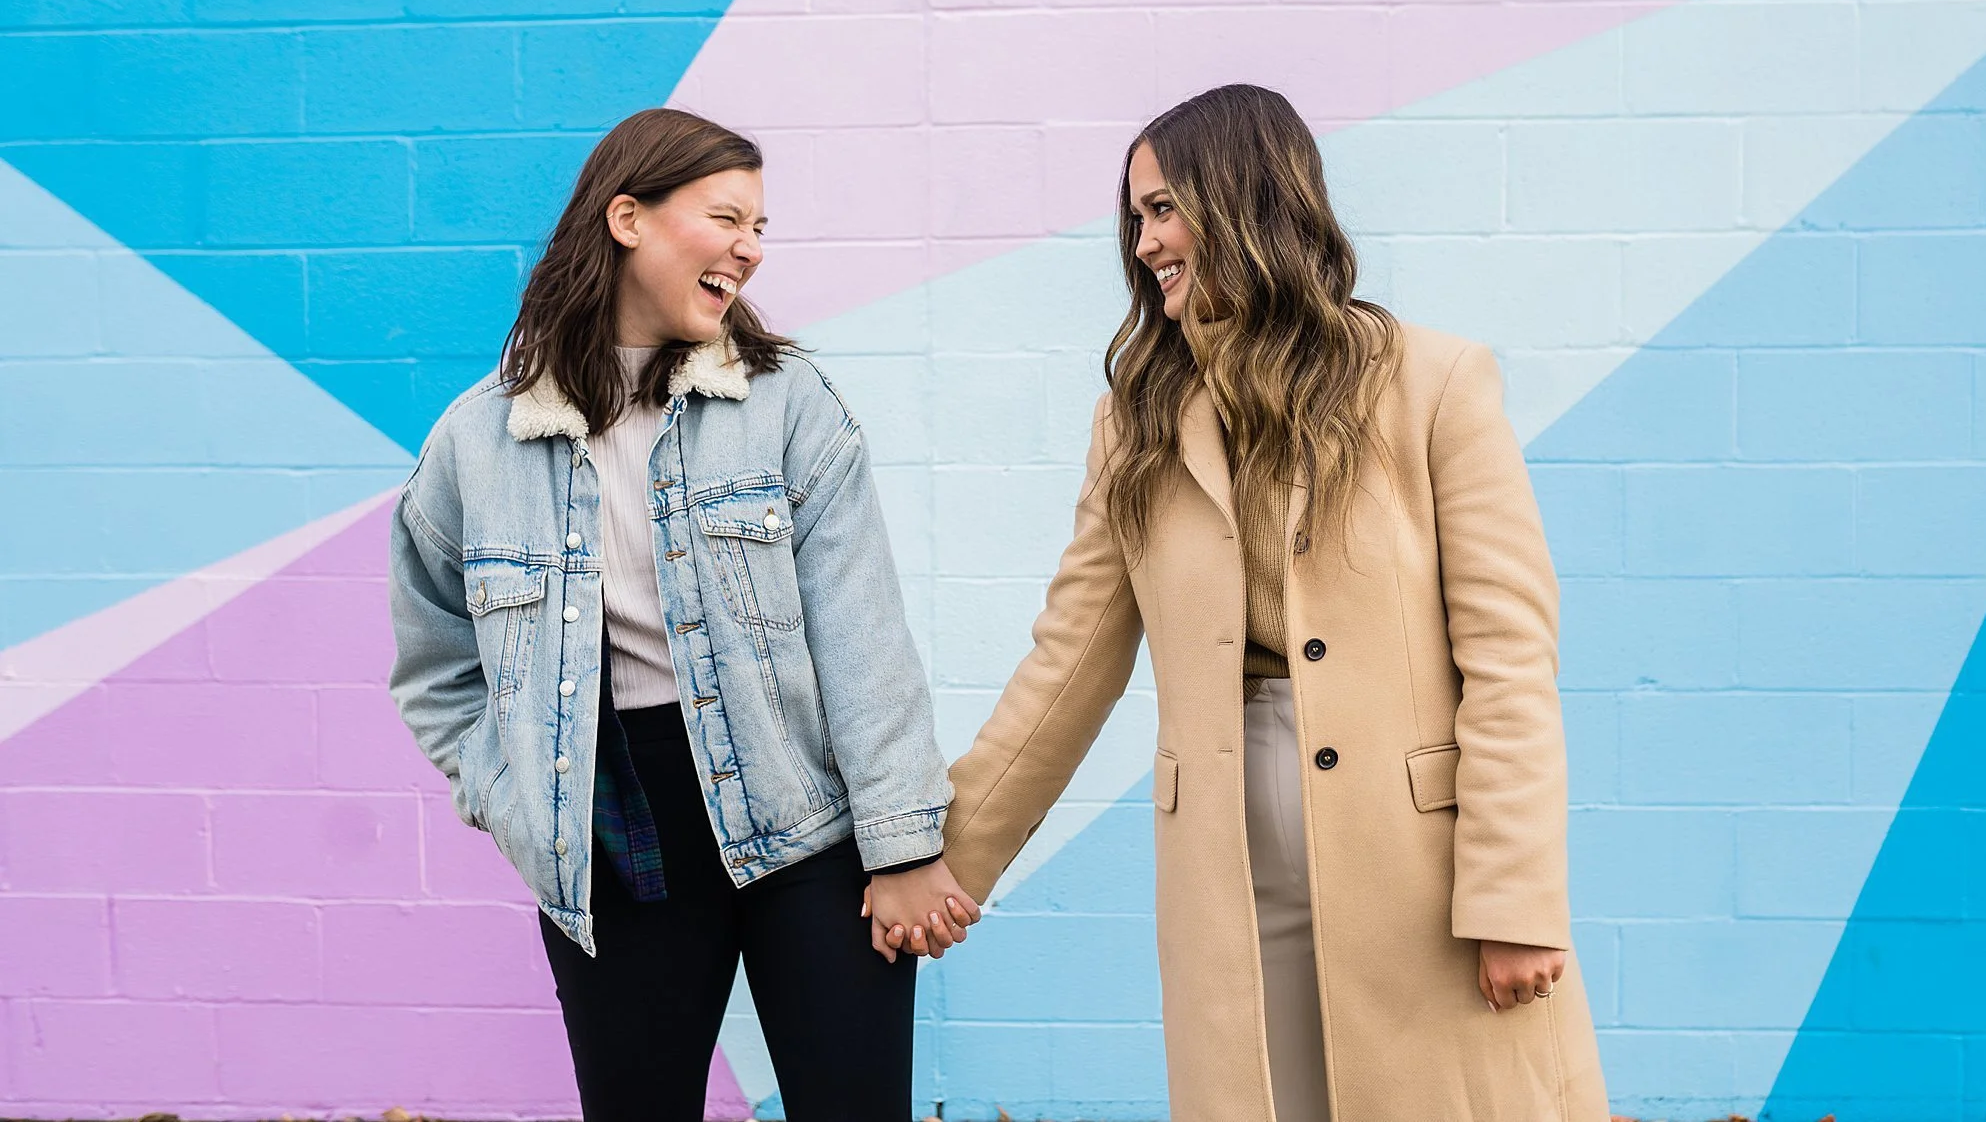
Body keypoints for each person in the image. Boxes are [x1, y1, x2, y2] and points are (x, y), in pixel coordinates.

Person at [884, 84, 1611, 1120]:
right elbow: (1069, 662)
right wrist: (947, 860)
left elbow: (1507, 658)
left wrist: (1515, 896)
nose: (1144, 242)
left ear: (1244, 200)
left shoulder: (1434, 383)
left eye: (1163, 209)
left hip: (1419, 866)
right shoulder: (1135, 421)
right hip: (1224, 866)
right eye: (1136, 216)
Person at [387, 108, 979, 1122]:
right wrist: (511, 795)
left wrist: (902, 846)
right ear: (628, 219)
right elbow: (436, 667)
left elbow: (863, 638)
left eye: (760, 227)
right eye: (727, 218)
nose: (751, 248)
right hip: (612, 837)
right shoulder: (476, 444)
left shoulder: (787, 405)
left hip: (806, 826)